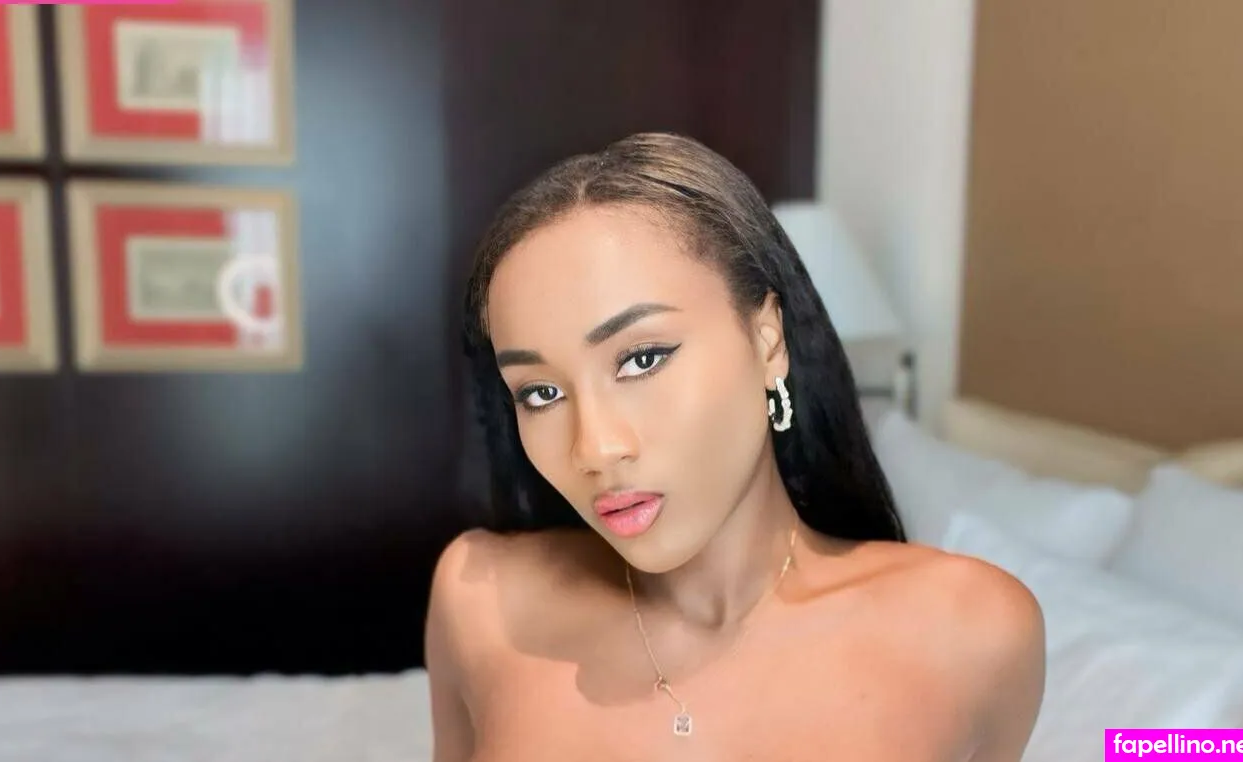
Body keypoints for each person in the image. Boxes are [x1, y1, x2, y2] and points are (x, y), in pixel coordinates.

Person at [427, 132, 1045, 761]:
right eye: (540, 393)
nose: (596, 448)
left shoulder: (975, 632)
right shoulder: (480, 600)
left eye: (642, 359)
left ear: (768, 340)